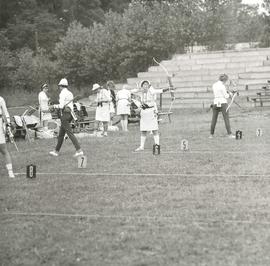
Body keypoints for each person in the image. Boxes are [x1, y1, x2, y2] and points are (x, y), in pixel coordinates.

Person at [49, 78, 84, 157]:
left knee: (70, 133)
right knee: (61, 134)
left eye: (59, 86)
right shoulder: (70, 93)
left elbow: (61, 106)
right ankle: (56, 151)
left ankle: (79, 150)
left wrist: (53, 106)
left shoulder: (62, 93)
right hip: (70, 114)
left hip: (64, 115)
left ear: (61, 86)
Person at [132, 80, 169, 151]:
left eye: (147, 84)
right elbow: (131, 92)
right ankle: (141, 146)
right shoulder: (140, 93)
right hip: (143, 112)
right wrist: (138, 89)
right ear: (142, 86)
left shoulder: (151, 91)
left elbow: (160, 91)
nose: (145, 86)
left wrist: (168, 89)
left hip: (151, 112)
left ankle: (157, 146)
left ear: (149, 86)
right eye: (144, 85)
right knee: (143, 130)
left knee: (154, 129)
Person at [209, 74, 235, 139]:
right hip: (223, 103)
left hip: (215, 102)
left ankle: (211, 135)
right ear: (225, 80)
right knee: (226, 119)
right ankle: (229, 134)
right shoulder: (222, 86)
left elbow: (219, 93)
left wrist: (227, 92)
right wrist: (231, 94)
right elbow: (226, 96)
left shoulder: (214, 85)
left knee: (214, 119)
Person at [0, 96, 15, 178]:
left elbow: (5, 113)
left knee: (3, 149)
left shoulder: (1, 99)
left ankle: (10, 172)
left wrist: (8, 125)